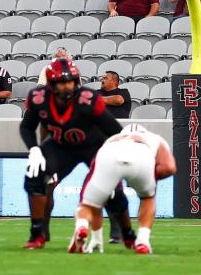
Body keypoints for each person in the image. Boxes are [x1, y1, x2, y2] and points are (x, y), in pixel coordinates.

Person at [20, 57, 132, 250]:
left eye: (70, 81)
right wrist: (35, 149)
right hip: (60, 146)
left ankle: (127, 233)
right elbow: (27, 127)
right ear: (51, 84)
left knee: (112, 191)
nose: (67, 87)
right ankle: (37, 233)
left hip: (93, 145)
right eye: (62, 82)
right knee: (35, 178)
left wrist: (119, 151)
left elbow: (112, 128)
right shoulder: (38, 98)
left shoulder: (87, 99)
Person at [70, 123, 175, 255]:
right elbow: (170, 168)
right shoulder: (155, 138)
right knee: (148, 198)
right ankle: (142, 241)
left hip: (109, 156)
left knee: (89, 204)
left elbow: (96, 166)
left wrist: (110, 185)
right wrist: (152, 177)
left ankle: (83, 226)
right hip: (142, 157)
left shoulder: (112, 139)